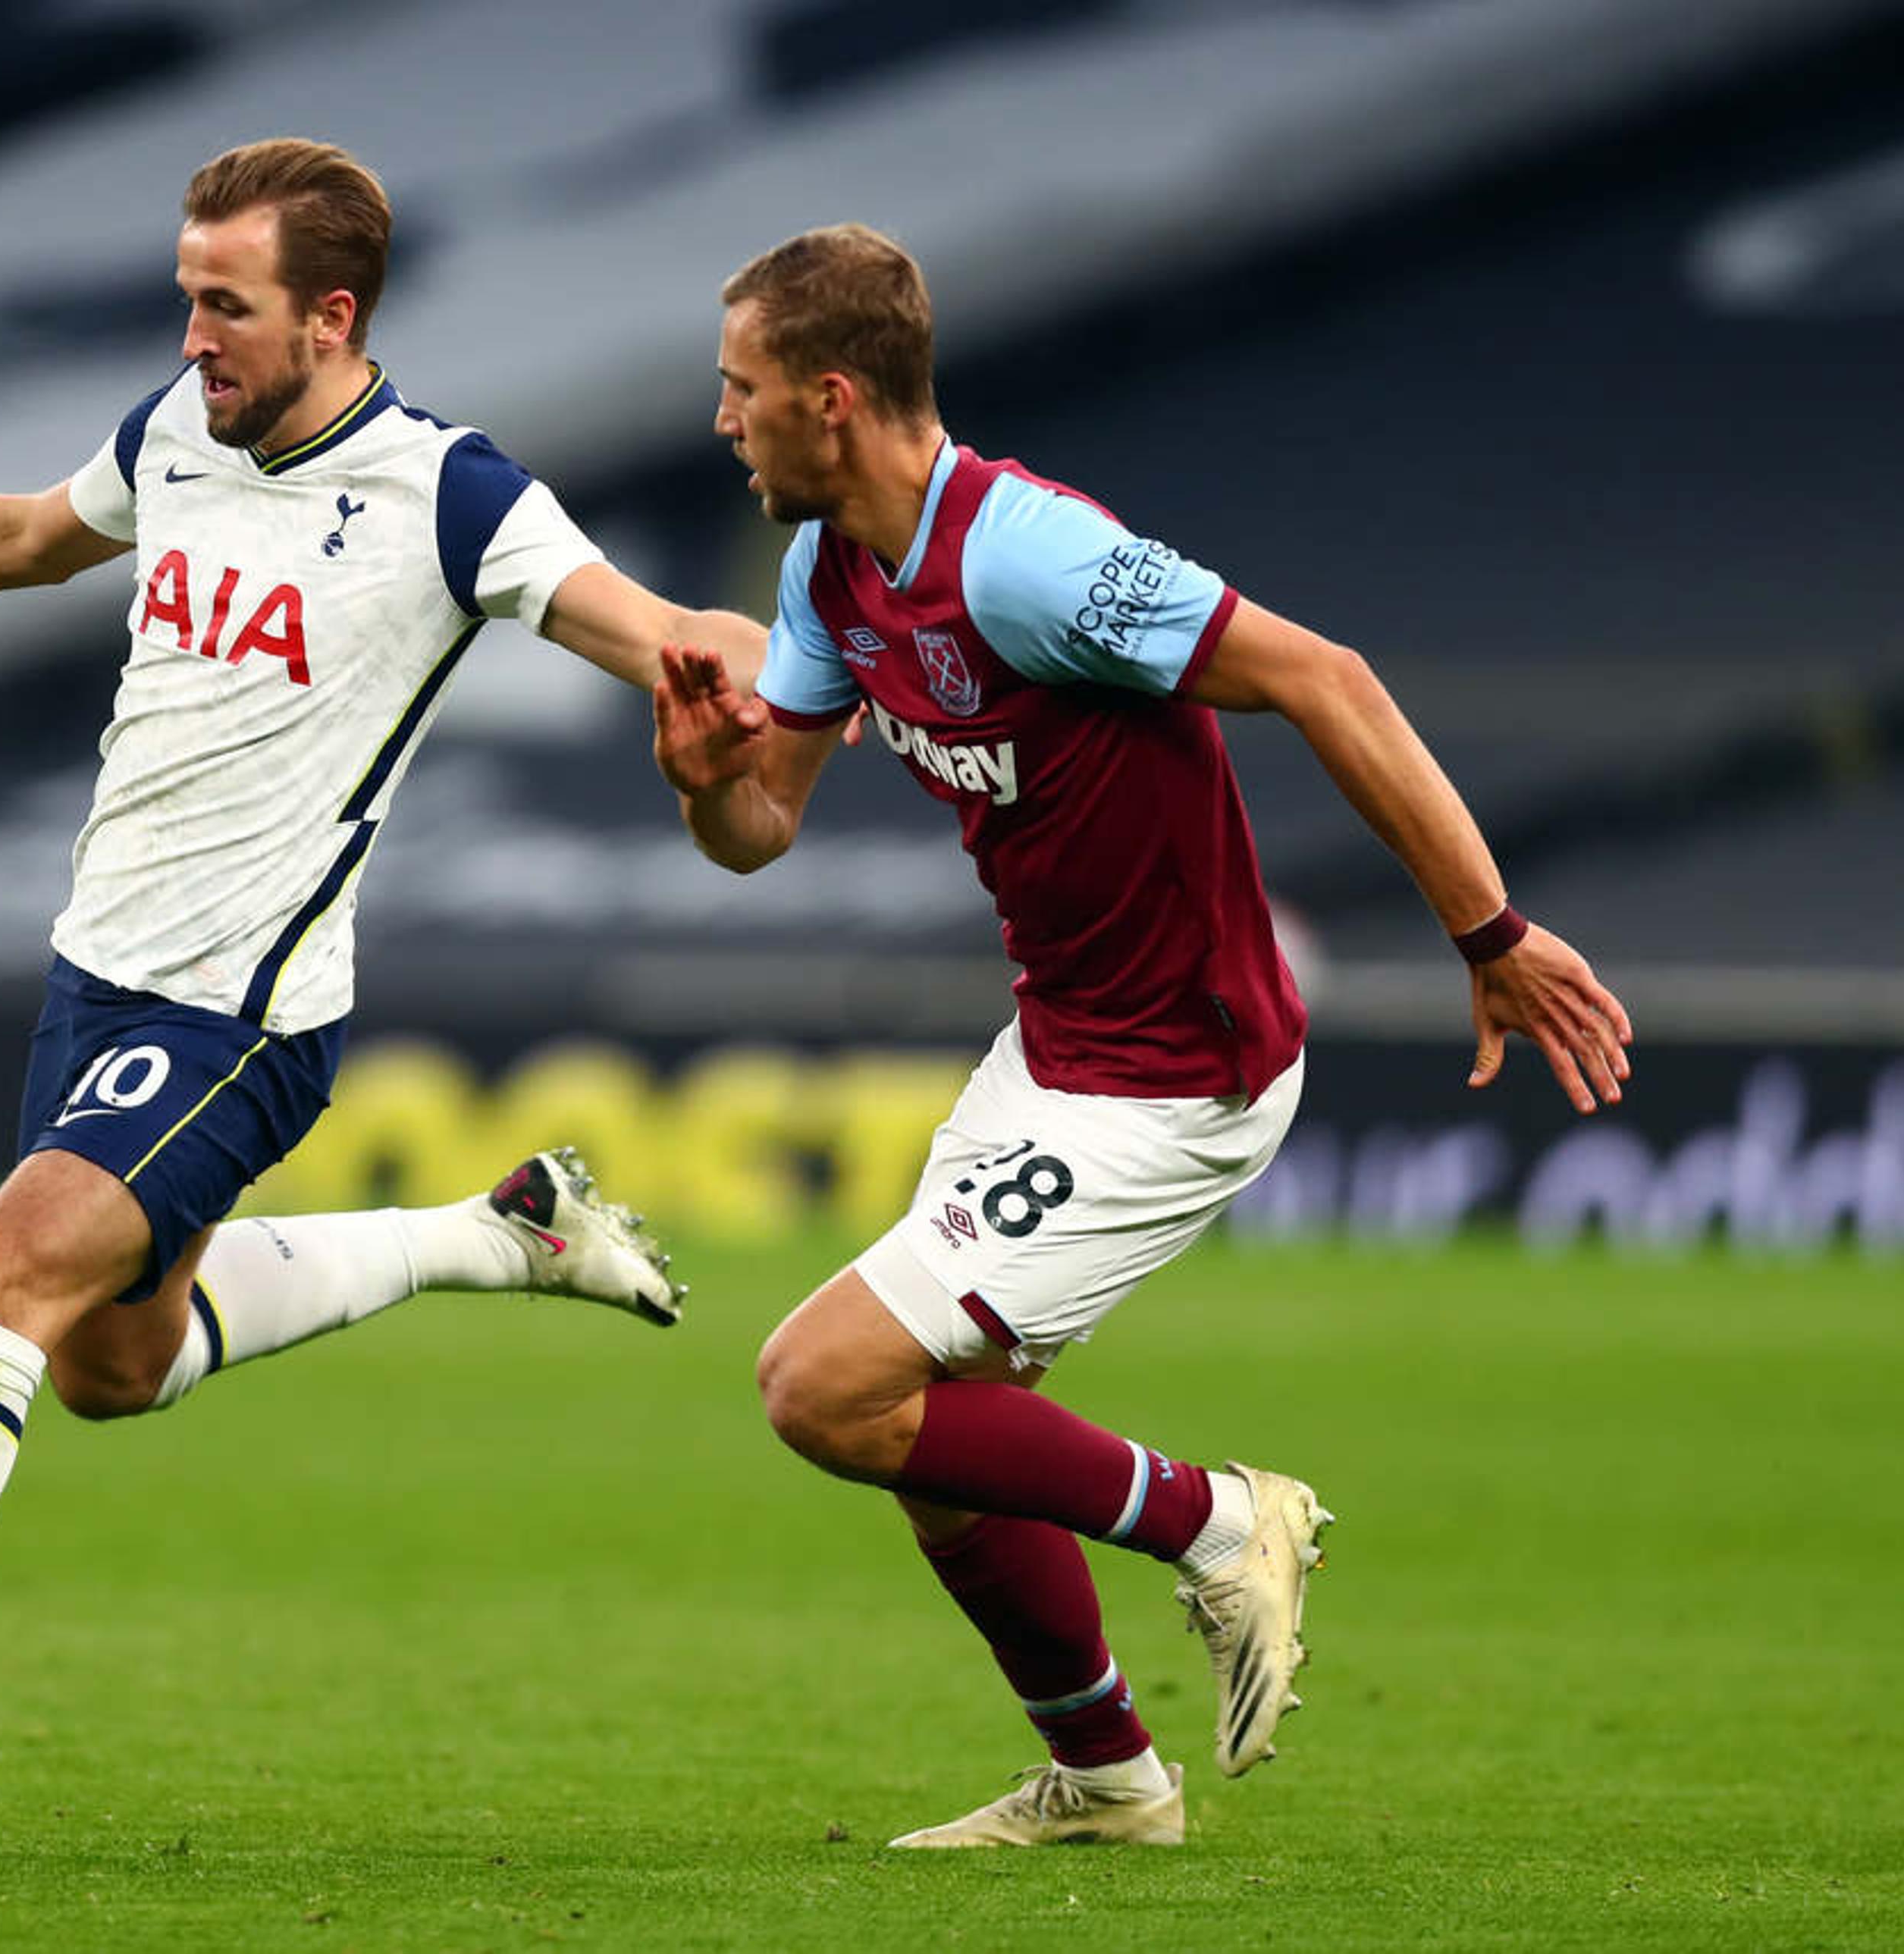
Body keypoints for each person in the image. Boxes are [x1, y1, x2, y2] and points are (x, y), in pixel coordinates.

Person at [0, 139, 766, 1786]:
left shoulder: (451, 493)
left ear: (331, 315)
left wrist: (772, 681)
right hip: (97, 978)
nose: (192, 339)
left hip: (244, 1015)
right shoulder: (183, 432)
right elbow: (26, 535)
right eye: (185, 300)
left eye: (225, 306)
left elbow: (659, 627)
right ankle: (492, 1232)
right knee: (105, 1363)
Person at [651, 224, 1634, 1847]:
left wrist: (1494, 932)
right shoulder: (830, 570)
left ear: (830, 399)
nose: (720, 418)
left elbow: (1329, 676)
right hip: (1058, 1045)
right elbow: (765, 827)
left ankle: (1222, 1520)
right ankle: (1110, 1779)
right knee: (938, 1434)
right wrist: (706, 783)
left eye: (738, 387)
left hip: (1183, 1071)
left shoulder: (1027, 557)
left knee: (821, 1383)